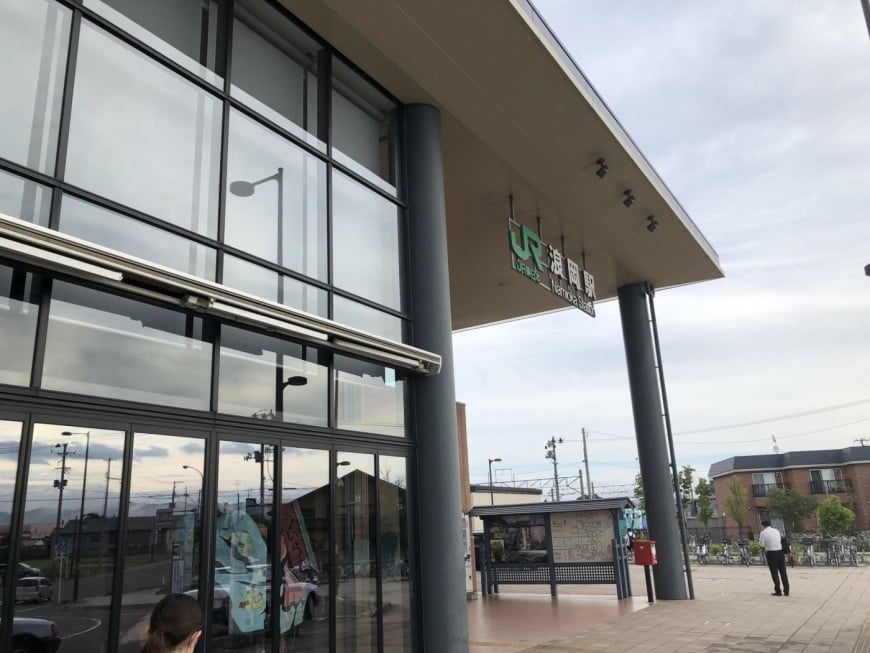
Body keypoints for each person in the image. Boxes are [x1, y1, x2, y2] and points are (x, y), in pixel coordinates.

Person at [758, 520, 790, 596]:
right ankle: (786, 590)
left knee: (774, 572)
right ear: (770, 524)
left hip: (771, 553)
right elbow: (780, 540)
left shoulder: (763, 533)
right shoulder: (776, 530)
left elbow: (762, 545)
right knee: (783, 572)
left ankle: (778, 590)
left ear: (763, 525)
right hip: (780, 552)